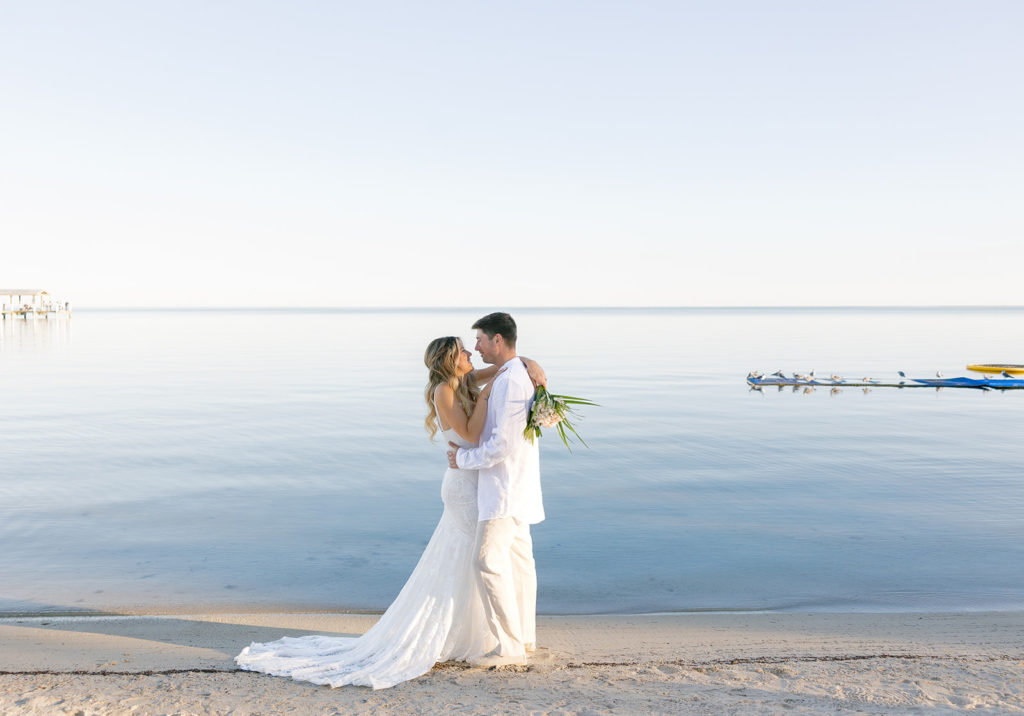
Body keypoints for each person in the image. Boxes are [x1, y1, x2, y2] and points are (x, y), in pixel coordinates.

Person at [235, 336, 545, 689]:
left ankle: (497, 637)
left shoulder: (464, 381)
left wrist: (528, 363)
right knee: (468, 559)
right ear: (449, 359)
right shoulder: (445, 390)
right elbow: (472, 432)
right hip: (464, 488)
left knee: (477, 560)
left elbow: (503, 367)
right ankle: (483, 637)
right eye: (463, 350)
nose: (471, 352)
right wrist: (489, 397)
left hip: (479, 483)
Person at [447, 312, 542, 667]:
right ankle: (525, 639)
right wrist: (529, 360)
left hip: (504, 489)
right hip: (515, 486)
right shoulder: (510, 373)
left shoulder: (511, 381)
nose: (476, 347)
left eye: (481, 340)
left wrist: (463, 460)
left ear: (498, 340)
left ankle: (510, 648)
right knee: (519, 563)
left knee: (486, 562)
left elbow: (502, 445)